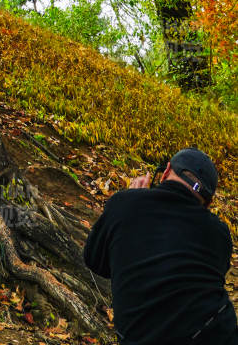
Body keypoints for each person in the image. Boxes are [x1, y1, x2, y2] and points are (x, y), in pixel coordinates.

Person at [83, 147, 238, 345]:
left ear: (166, 171)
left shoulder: (123, 204)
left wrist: (131, 202)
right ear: (207, 203)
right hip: (215, 335)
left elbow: (94, 261)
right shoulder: (219, 233)